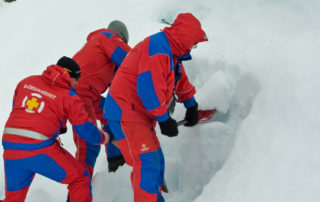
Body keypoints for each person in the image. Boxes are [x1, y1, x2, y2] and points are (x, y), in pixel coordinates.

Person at [103, 13, 208, 202]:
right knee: (147, 163)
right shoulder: (158, 49)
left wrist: (191, 104)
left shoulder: (171, 53)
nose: (194, 47)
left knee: (156, 160)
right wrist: (163, 119)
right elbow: (148, 89)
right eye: (194, 43)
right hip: (125, 112)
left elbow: (179, 78)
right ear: (186, 38)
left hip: (138, 115)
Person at [1, 56, 109, 202]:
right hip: (38, 150)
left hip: (11, 149)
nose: (76, 84)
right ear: (70, 76)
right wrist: (104, 137)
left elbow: (19, 108)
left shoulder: (27, 82)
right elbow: (85, 130)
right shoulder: (68, 96)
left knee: (13, 199)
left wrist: (59, 125)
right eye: (76, 79)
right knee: (80, 179)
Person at [71, 20, 131, 177]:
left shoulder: (98, 49)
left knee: (110, 113)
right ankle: (78, 192)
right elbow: (133, 60)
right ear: (121, 38)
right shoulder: (108, 38)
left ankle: (116, 160)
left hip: (86, 95)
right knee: (88, 143)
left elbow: (119, 88)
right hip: (79, 95)